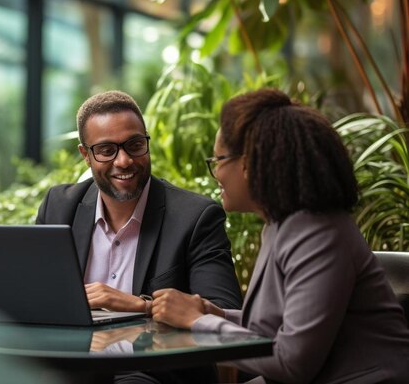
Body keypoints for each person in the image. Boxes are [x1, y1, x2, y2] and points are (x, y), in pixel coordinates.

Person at [151, 88, 409, 384]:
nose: (216, 172)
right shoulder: (280, 226)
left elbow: (293, 361)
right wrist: (217, 314)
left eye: (218, 160)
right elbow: (275, 329)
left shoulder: (318, 234)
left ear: (247, 164)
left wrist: (198, 322)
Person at [36, 90, 242, 383]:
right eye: (107, 150)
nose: (124, 161)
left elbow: (222, 311)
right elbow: (35, 297)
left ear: (146, 142)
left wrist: (141, 305)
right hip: (73, 369)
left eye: (134, 145)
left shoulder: (195, 216)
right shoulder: (59, 207)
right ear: (86, 155)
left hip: (158, 373)